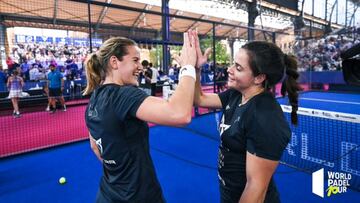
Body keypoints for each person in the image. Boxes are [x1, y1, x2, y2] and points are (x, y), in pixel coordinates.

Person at [84, 32, 197, 203]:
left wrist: (119, 172)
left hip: (108, 193)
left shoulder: (94, 98)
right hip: (138, 195)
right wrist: (188, 66)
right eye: (135, 60)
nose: (140, 66)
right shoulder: (124, 95)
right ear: (114, 62)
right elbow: (180, 114)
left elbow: (94, 146)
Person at [194, 36, 301, 203]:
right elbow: (199, 99)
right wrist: (195, 69)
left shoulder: (265, 118)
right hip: (229, 194)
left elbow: (256, 188)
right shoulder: (236, 94)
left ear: (259, 78)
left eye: (238, 67)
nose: (229, 69)